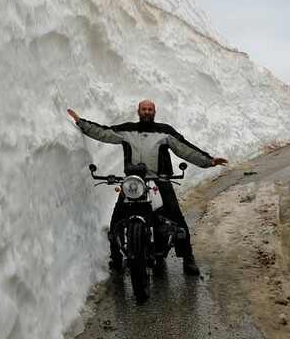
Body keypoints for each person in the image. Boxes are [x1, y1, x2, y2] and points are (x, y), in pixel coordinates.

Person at [67, 100, 228, 276]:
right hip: (134, 182)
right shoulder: (127, 130)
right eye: (144, 109)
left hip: (160, 180)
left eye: (150, 109)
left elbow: (184, 148)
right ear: (138, 111)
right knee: (117, 220)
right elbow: (104, 133)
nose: (147, 112)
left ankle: (188, 257)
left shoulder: (164, 131)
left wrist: (209, 161)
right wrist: (81, 123)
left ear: (154, 112)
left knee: (176, 217)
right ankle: (116, 257)